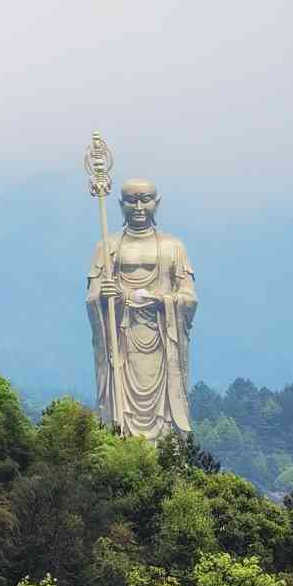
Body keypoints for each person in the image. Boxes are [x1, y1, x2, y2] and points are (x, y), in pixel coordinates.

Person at [86, 177, 197, 439]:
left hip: (161, 339)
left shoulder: (174, 247)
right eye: (131, 200)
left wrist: (163, 301)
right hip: (122, 340)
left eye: (145, 200)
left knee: (166, 411)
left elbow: (189, 296)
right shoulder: (106, 247)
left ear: (156, 203)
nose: (138, 207)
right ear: (120, 204)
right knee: (120, 404)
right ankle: (121, 437)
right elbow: (92, 296)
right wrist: (104, 296)